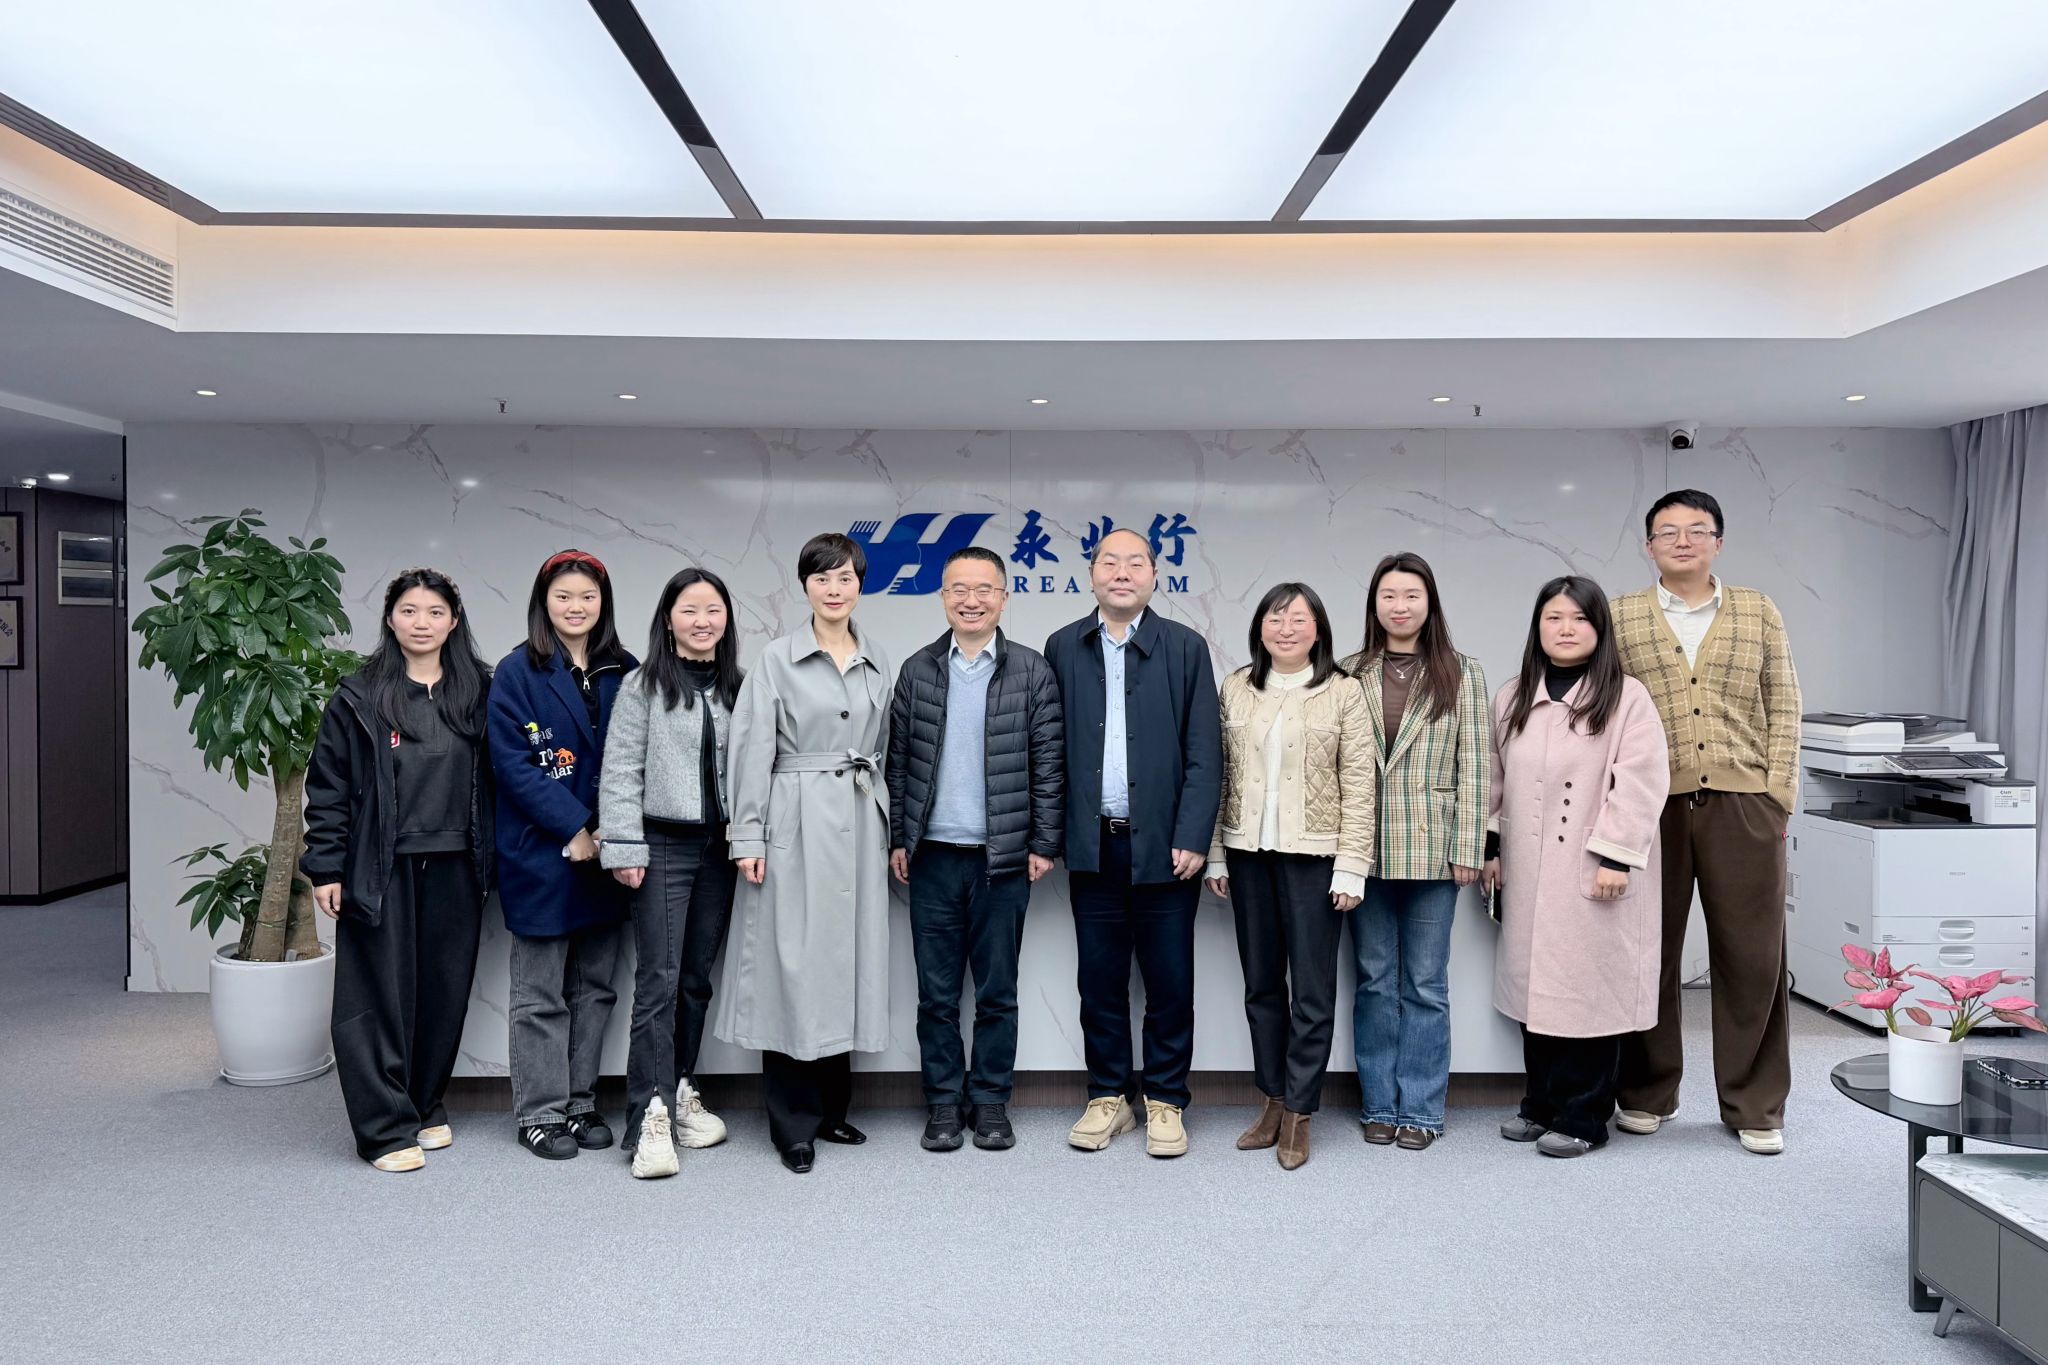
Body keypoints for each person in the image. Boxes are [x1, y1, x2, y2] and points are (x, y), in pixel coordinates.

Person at [1611, 490, 1801, 1156]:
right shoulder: (1622, 615)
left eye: (1697, 530)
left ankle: (1755, 1103)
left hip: (1744, 803)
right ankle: (1645, 1091)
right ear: (1649, 546)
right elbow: (1605, 707)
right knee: (1646, 950)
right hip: (1650, 805)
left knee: (1753, 957)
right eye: (1668, 531)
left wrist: (1777, 795)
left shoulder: (1756, 609)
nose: (1683, 540)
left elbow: (1785, 702)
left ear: (1718, 542)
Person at [715, 532, 895, 1174]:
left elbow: (884, 748)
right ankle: (792, 1123)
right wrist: (748, 835)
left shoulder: (877, 658)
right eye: (822, 578)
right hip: (793, 823)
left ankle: (831, 1110)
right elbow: (750, 750)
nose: (834, 589)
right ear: (805, 586)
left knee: (844, 962)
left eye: (845, 577)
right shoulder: (776, 659)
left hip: (858, 822)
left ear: (861, 585)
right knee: (791, 966)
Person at [303, 568, 493, 1172]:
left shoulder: (480, 692)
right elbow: (328, 786)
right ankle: (383, 1129)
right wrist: (326, 867)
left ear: (454, 621)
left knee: (443, 992)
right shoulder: (359, 696)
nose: (422, 623)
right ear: (390, 619)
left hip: (459, 864)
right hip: (378, 866)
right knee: (377, 996)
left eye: (435, 612)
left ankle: (422, 1103)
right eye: (409, 611)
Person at [1044, 527, 1221, 1158]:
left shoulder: (1185, 647)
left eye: (1135, 563)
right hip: (1093, 846)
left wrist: (1193, 835)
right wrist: (1052, 834)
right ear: (1091, 575)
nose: (1122, 573)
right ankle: (1109, 1097)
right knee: (1099, 981)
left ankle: (1166, 1100)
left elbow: (1205, 753)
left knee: (1170, 982)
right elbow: (1049, 749)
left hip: (1167, 850)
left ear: (1154, 576)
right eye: (1109, 562)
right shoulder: (1063, 646)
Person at [1483, 576, 1670, 1157]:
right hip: (1528, 869)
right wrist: (1491, 848)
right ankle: (1539, 1105)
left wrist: (1616, 855)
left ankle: (1584, 1118)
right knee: (1534, 991)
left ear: (1599, 628)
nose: (1566, 629)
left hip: (1594, 870)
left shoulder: (1626, 698)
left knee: (1589, 993)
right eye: (1554, 618)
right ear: (1537, 627)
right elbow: (1493, 778)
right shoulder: (1513, 697)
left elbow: (1641, 782)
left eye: (1579, 619)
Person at [886, 546, 1064, 1153]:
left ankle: (990, 1102)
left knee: (997, 993)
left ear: (1003, 598)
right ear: (943, 597)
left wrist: (1043, 843)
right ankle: (942, 1103)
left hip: (1003, 859)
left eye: (984, 589)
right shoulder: (917, 670)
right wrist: (898, 838)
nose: (971, 600)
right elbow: (897, 765)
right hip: (932, 856)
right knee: (936, 996)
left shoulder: (1032, 671)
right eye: (958, 589)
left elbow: (1049, 765)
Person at [1204, 582, 1374, 1170]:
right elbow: (1219, 776)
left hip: (1316, 860)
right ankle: (1272, 1101)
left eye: (1298, 620)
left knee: (1312, 992)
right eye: (1275, 619)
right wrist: (1216, 853)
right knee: (1261, 986)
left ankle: (1300, 1112)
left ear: (1318, 629)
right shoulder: (1236, 688)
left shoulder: (1344, 692)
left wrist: (1351, 867)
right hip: (1248, 854)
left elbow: (1360, 785)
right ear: (1259, 628)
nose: (1286, 629)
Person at [488, 549, 636, 1161]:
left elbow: (638, 756)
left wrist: (611, 832)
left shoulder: (625, 669)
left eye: (588, 597)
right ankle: (540, 1113)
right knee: (540, 992)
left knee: (595, 987)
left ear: (604, 603)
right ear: (543, 603)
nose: (576, 607)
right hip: (542, 852)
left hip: (611, 850)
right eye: (563, 597)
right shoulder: (516, 671)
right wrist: (573, 827)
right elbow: (512, 764)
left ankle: (579, 1103)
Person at [1338, 552, 1490, 1151]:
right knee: (1374, 980)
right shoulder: (1348, 672)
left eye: (1411, 596)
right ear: (1374, 605)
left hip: (1433, 849)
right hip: (1364, 851)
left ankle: (1422, 1110)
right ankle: (1379, 1104)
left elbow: (1475, 765)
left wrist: (1468, 846)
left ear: (1430, 604)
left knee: (1426, 983)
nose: (1399, 607)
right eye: (1389, 596)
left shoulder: (1462, 672)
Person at [599, 567, 743, 1179]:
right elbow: (620, 769)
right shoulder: (643, 685)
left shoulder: (739, 687)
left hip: (720, 851)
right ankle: (648, 1118)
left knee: (695, 981)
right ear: (668, 619)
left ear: (727, 620)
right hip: (661, 846)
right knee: (657, 981)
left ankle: (681, 1089)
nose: (702, 621)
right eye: (689, 610)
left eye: (713, 610)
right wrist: (625, 848)